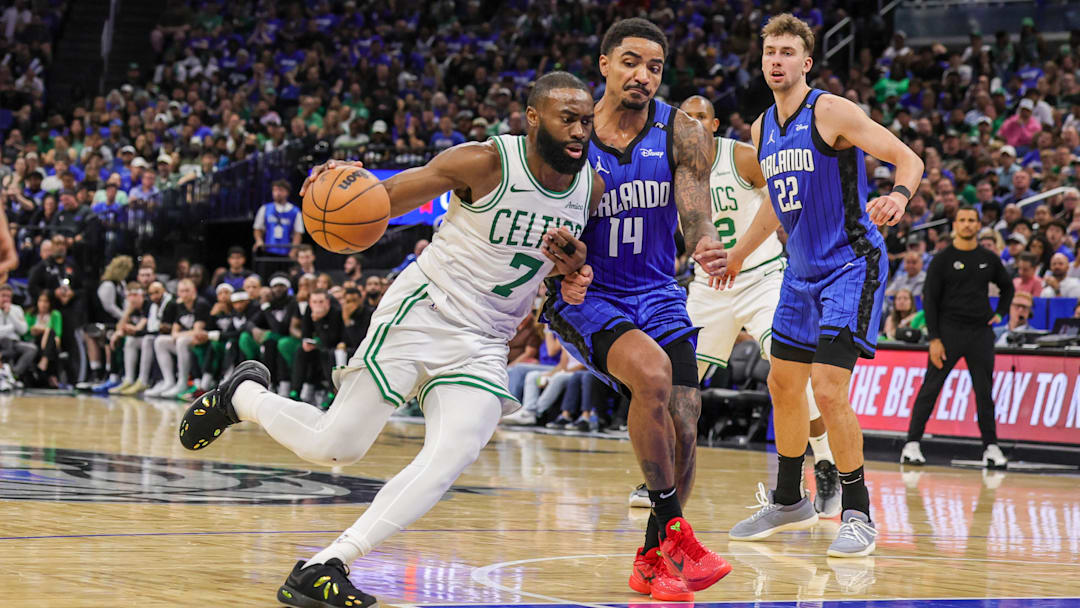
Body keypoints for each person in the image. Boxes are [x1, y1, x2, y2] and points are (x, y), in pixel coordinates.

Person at [177, 71, 598, 608]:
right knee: (338, 446)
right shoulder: (484, 162)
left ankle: (327, 563)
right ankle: (243, 397)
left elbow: (574, 266)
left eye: (586, 120)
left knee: (455, 450)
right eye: (568, 119)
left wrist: (574, 268)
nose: (580, 131)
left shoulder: (591, 187)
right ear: (534, 118)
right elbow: (385, 197)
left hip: (485, 337)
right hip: (424, 310)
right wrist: (346, 184)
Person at [539, 20, 730, 601]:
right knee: (652, 376)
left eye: (653, 67)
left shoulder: (683, 130)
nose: (641, 75)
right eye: (629, 62)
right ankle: (679, 535)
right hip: (590, 296)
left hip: (657, 292)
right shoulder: (568, 138)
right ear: (603, 65)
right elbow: (545, 231)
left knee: (687, 421)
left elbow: (695, 208)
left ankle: (652, 560)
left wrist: (702, 240)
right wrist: (565, 267)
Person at [721, 14, 923, 558]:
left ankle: (858, 512)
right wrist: (740, 254)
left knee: (829, 389)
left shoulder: (830, 110)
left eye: (787, 52)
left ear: (806, 62)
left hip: (850, 264)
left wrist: (899, 196)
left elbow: (909, 157)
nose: (777, 61)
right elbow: (774, 202)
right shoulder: (763, 128)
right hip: (800, 271)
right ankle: (790, 499)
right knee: (783, 385)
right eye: (770, 53)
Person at [677, 95, 840, 518]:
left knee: (792, 378)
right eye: (685, 118)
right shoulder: (673, 171)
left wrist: (751, 252)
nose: (692, 124)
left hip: (762, 278)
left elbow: (783, 202)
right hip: (709, 288)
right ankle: (666, 475)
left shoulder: (744, 158)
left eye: (700, 117)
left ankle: (824, 463)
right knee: (675, 382)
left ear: (713, 125)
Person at [902, 206, 1013, 469]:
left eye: (971, 220)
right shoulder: (942, 259)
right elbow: (929, 300)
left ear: (977, 225)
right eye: (962, 220)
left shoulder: (988, 257)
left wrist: (1000, 314)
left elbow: (1007, 287)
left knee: (984, 391)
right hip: (948, 332)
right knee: (931, 387)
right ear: (955, 226)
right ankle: (912, 443)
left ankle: (991, 447)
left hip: (980, 332)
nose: (966, 224)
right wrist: (935, 339)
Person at [252, 179, 304, 272]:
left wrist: (294, 251)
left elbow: (298, 233)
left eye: (280, 190)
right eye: (275, 190)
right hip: (268, 251)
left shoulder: (295, 211)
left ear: (287, 192)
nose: (277, 193)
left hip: (286, 252)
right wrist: (259, 240)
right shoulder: (265, 208)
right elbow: (257, 228)